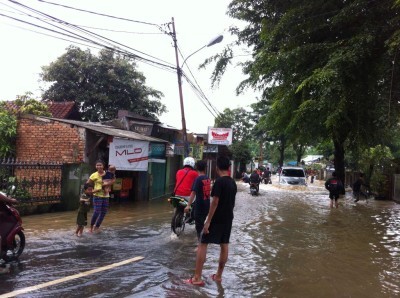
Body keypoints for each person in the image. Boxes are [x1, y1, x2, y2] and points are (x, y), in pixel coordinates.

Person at [186, 155, 237, 286]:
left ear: (217, 167)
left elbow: (214, 202)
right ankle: (218, 276)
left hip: (216, 218)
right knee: (224, 245)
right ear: (229, 167)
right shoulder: (232, 182)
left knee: (203, 243)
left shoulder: (219, 182)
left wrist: (208, 221)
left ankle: (197, 278)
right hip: (228, 218)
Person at [184, 160, 211, 241]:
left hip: (200, 206)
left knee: (199, 227)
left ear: (196, 168)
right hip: (206, 205)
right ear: (205, 168)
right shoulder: (207, 178)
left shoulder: (198, 179)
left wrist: (188, 205)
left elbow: (193, 193)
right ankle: (203, 240)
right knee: (201, 223)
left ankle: (201, 244)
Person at [87, 160, 113, 233]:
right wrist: (92, 190)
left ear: (103, 166)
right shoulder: (94, 175)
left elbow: (112, 180)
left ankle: (97, 227)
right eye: (97, 165)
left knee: (103, 212)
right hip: (97, 196)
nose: (99, 166)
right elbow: (87, 184)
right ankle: (91, 227)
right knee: (96, 212)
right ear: (96, 166)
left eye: (100, 165)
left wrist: (108, 186)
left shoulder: (108, 174)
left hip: (106, 195)